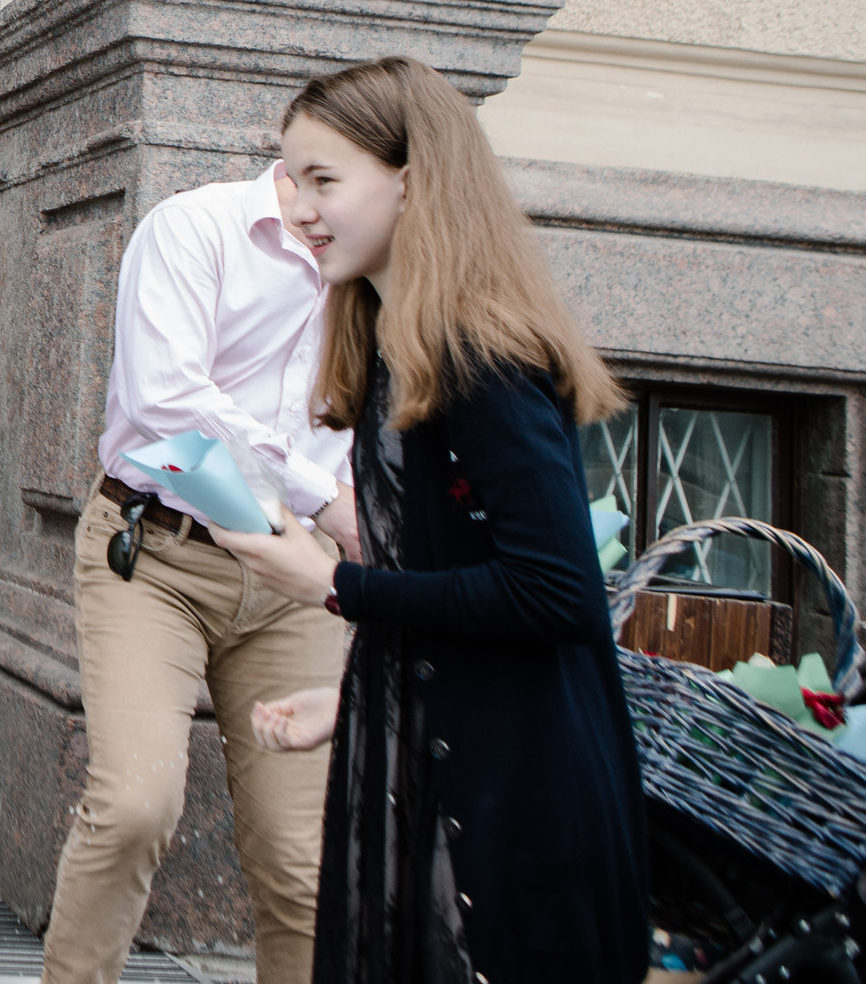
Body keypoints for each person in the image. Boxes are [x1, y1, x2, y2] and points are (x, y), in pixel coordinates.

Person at [214, 56, 647, 984]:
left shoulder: (478, 356)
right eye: (291, 179)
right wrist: (360, 695)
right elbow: (466, 581)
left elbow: (556, 594)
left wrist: (336, 587)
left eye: (324, 179)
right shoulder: (395, 353)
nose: (297, 208)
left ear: (412, 183)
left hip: (522, 811)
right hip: (451, 770)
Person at [45, 147, 360, 984]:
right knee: (134, 807)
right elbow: (167, 402)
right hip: (160, 555)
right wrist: (324, 494)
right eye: (326, 176)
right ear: (300, 161)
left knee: (303, 864)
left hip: (302, 585)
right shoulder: (196, 228)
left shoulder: (381, 265)